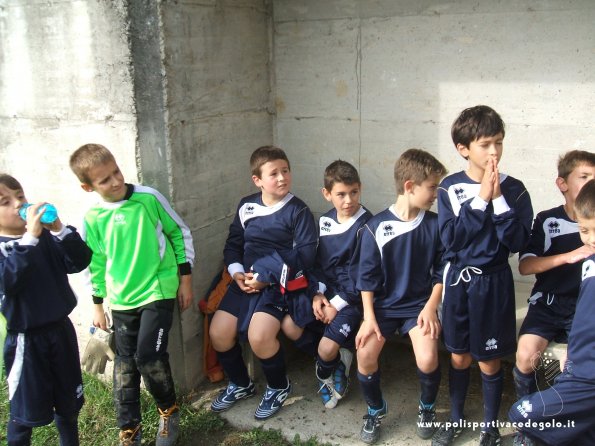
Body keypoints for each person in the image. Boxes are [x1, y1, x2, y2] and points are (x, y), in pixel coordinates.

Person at [69, 144, 195, 446]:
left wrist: (185, 279)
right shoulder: (93, 217)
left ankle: (168, 412)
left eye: (116, 172)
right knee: (125, 366)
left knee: (148, 356)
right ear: (88, 187)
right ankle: (130, 430)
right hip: (122, 300)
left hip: (158, 289)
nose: (115, 181)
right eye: (104, 180)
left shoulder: (147, 198)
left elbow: (179, 232)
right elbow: (94, 263)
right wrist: (97, 305)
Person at [431, 105, 534, 446]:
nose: (494, 152)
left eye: (499, 142)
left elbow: (518, 242)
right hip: (460, 281)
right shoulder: (449, 188)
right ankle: (456, 418)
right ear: (464, 149)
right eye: (486, 144)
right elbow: (451, 241)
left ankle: (489, 427)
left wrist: (498, 199)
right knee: (459, 354)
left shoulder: (516, 189)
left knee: (489, 359)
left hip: (494, 283)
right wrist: (480, 200)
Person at [209, 145, 317, 420]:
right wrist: (236, 273)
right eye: (274, 173)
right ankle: (240, 384)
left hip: (278, 286)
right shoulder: (247, 206)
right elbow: (233, 244)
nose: (282, 178)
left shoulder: (298, 210)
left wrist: (265, 277)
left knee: (260, 336)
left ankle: (279, 386)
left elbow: (304, 255)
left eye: (285, 171)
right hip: (244, 282)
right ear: (257, 180)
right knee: (218, 333)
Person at [354, 149, 447, 444]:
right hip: (381, 308)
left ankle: (427, 408)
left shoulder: (434, 225)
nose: (436, 193)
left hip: (419, 307)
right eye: (432, 186)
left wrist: (432, 306)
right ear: (410, 186)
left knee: (428, 356)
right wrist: (368, 318)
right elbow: (366, 280)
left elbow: (442, 270)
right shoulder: (375, 228)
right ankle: (375, 410)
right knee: (365, 353)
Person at [0, 174, 92, 446]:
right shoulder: (6, 248)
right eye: (5, 201)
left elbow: (79, 261)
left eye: (21, 197)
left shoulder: (46, 238)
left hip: (60, 331)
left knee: (68, 404)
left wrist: (60, 229)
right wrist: (30, 238)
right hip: (27, 341)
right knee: (23, 413)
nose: (18, 205)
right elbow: (10, 280)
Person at [512, 150, 595, 446]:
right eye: (583, 177)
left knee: (572, 368)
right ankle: (529, 429)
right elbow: (526, 265)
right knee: (526, 356)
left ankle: (562, 422)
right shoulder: (548, 220)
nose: (590, 182)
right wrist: (568, 257)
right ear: (562, 183)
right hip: (548, 302)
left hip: (583, 310)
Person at [309, 160, 372, 409]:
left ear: (360, 189)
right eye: (341, 194)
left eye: (353, 192)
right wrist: (318, 295)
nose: (348, 200)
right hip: (328, 295)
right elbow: (320, 266)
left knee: (324, 349)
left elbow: (363, 277)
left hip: (353, 299)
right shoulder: (324, 222)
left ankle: (325, 373)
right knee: (294, 327)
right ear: (327, 194)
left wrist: (334, 305)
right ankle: (340, 361)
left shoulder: (367, 226)